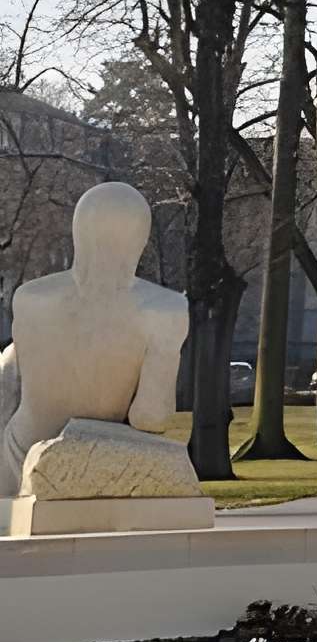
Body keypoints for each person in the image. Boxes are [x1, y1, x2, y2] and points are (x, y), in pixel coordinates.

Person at [0, 182, 188, 491]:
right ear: (140, 240)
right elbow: (151, 418)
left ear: (78, 233)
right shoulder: (165, 309)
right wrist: (168, 348)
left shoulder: (29, 297)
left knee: (9, 360)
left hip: (21, 447)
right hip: (82, 455)